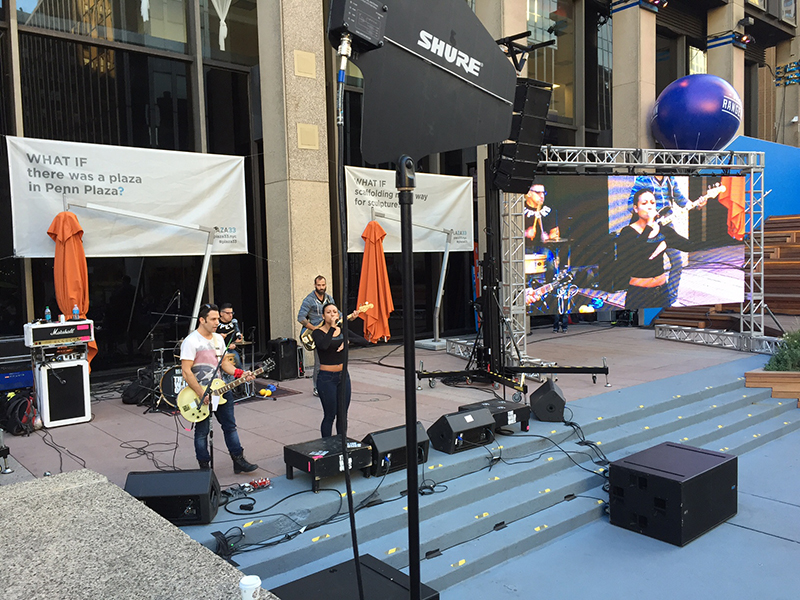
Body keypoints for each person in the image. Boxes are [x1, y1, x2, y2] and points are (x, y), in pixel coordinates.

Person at [180, 303, 258, 473]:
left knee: (230, 426)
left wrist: (240, 373)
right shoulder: (191, 341)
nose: (217, 322)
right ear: (202, 320)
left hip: (221, 390)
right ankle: (204, 467)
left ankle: (238, 460)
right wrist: (201, 393)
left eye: (217, 318)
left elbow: (224, 364)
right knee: (202, 432)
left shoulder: (218, 339)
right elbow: (186, 372)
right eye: (213, 319)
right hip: (200, 393)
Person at [627, 176, 705, 305]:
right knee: (647, 263)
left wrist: (698, 205)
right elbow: (631, 205)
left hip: (666, 226)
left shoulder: (671, 180)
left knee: (678, 262)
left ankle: (672, 299)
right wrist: (651, 215)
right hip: (646, 227)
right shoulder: (643, 179)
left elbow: (682, 201)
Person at [616, 189, 698, 310]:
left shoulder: (663, 230)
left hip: (662, 292)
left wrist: (666, 242)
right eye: (644, 203)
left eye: (652, 203)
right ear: (635, 208)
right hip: (640, 294)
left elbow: (689, 246)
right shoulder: (627, 232)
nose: (649, 206)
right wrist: (649, 225)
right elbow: (638, 255)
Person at [297, 276, 362, 396]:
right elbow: (301, 317)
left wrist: (351, 317)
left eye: (323, 285)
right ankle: (317, 387)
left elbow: (339, 315)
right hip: (317, 333)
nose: (321, 288)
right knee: (318, 362)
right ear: (315, 285)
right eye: (319, 285)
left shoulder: (329, 299)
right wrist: (315, 329)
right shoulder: (309, 300)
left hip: (330, 331)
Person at [311, 302, 353, 438]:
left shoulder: (343, 331)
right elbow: (323, 346)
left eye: (335, 312)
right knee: (330, 414)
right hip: (326, 377)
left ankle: (342, 443)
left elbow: (363, 340)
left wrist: (347, 341)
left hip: (343, 376)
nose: (332, 314)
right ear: (323, 316)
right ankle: (327, 445)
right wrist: (332, 329)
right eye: (329, 312)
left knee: (343, 414)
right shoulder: (317, 332)